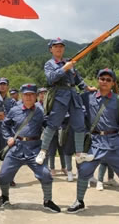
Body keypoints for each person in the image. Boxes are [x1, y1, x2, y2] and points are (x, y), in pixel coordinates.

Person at [68, 69, 119, 213]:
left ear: (113, 83)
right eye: (102, 78)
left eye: (108, 80)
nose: (104, 81)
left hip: (114, 142)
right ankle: (79, 201)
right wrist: (79, 79)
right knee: (84, 170)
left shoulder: (118, 100)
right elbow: (73, 96)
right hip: (95, 142)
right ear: (98, 80)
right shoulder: (87, 97)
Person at [0, 84, 61, 213]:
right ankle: (4, 197)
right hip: (16, 148)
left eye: (32, 94)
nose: (29, 97)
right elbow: (5, 125)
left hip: (34, 148)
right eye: (26, 95)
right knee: (3, 175)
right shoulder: (15, 110)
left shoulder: (41, 111)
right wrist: (8, 137)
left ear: (36, 96)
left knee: (45, 174)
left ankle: (48, 201)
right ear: (21, 96)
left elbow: (48, 126)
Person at [36, 38, 95, 167]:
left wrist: (87, 88)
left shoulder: (69, 62)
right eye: (56, 46)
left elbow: (78, 79)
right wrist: (64, 68)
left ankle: (79, 154)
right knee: (53, 123)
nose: (59, 48)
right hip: (59, 96)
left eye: (61, 46)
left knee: (79, 124)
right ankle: (43, 150)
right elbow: (51, 78)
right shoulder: (49, 64)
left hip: (73, 95)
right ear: (51, 49)